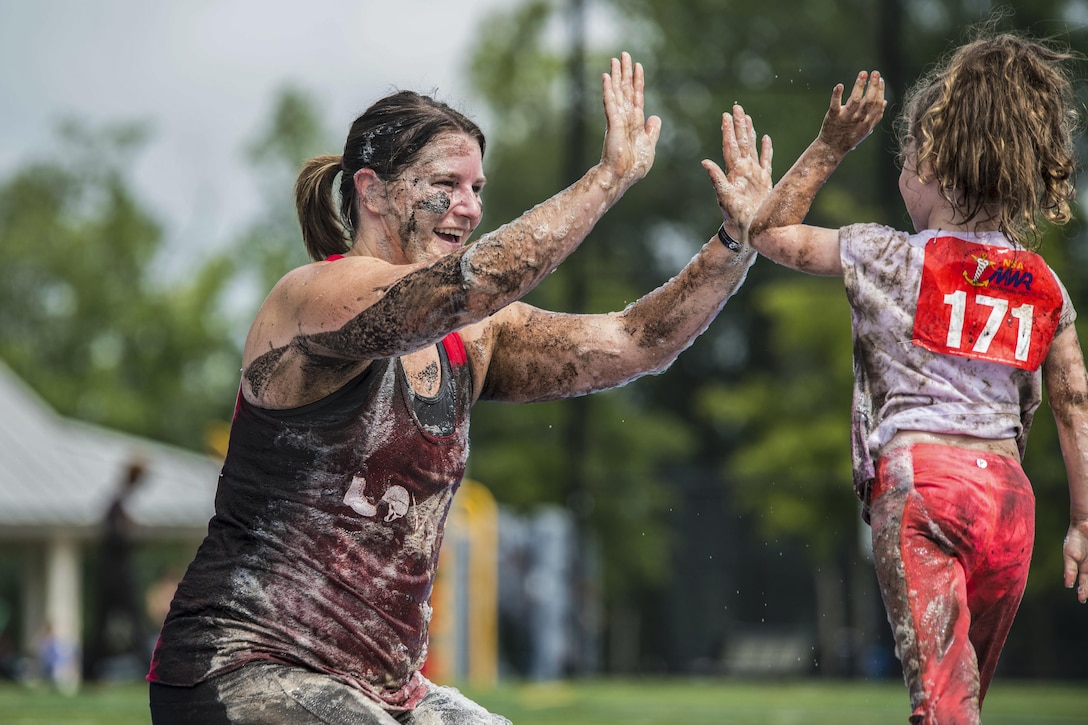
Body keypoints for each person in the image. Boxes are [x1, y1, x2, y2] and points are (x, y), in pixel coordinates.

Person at [147, 52, 772, 724]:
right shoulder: (312, 298)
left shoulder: (473, 341)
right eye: (447, 184)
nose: (469, 208)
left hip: (386, 690)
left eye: (479, 188)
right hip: (244, 666)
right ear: (373, 190)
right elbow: (470, 285)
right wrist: (607, 178)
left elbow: (637, 340)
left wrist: (734, 241)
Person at [744, 32, 1088, 725]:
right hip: (1009, 508)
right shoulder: (1043, 283)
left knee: (942, 706)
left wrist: (828, 148)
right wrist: (1081, 519)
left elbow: (770, 231)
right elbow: (1074, 399)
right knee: (959, 701)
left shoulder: (885, 254)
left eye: (906, 157)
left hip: (925, 490)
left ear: (930, 162)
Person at [86, 456, 150, 681]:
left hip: (115, 574)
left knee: (112, 623)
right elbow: (115, 537)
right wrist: (134, 534)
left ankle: (90, 671)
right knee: (128, 623)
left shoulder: (122, 501)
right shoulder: (118, 503)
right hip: (115, 576)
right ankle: (90, 671)